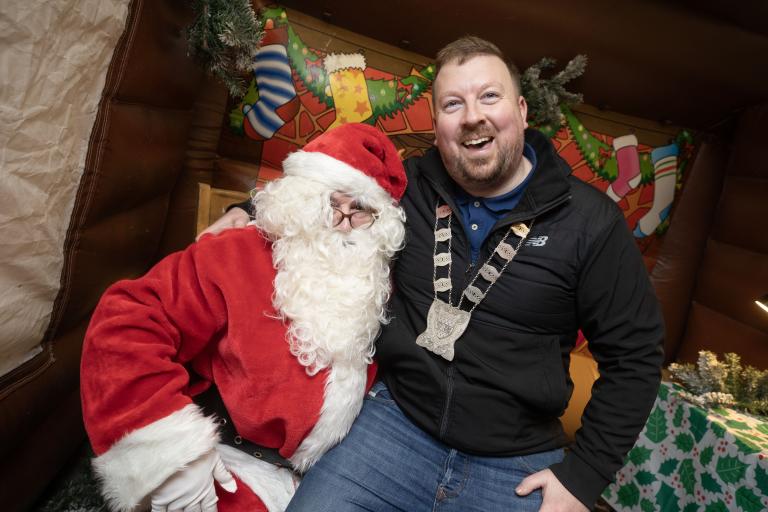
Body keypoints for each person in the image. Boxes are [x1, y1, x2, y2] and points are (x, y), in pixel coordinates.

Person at [204, 36, 664, 512]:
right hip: (393, 426)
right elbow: (329, 189)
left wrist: (583, 476)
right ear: (438, 123)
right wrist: (247, 209)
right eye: (452, 104)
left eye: (490, 96)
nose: (472, 116)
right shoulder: (407, 184)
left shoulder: (590, 221)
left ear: (522, 110)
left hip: (515, 461)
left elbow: (635, 356)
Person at [79, 123, 407, 512]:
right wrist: (172, 460)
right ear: (303, 198)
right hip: (223, 467)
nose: (341, 222)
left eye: (361, 212)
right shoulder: (237, 253)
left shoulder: (372, 285)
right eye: (332, 203)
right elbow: (125, 324)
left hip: (322, 481)